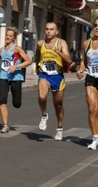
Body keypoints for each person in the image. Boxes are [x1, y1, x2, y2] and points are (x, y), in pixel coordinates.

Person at [34, 22, 71, 141]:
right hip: (44, 75)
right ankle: (44, 115)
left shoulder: (61, 43)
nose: (49, 31)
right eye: (47, 29)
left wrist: (57, 51)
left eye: (51, 29)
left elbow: (69, 60)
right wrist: (36, 65)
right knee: (41, 97)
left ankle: (59, 128)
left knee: (58, 104)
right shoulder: (40, 43)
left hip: (57, 76)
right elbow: (37, 53)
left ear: (57, 31)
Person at [0, 27, 32, 133]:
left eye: (10, 36)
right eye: (7, 35)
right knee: (2, 100)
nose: (8, 37)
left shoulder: (16, 49)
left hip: (16, 77)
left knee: (17, 103)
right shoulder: (0, 49)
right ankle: (5, 125)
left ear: (13, 38)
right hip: (3, 76)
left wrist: (17, 66)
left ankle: (17, 102)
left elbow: (29, 61)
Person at [76, 17, 98, 150]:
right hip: (91, 78)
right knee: (92, 109)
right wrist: (80, 70)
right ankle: (95, 139)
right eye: (95, 25)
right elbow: (84, 61)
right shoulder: (86, 43)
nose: (97, 27)